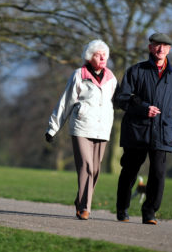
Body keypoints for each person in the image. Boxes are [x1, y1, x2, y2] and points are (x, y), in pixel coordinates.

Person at [115, 32, 172, 225]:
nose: (160, 49)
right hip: (137, 132)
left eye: (165, 46)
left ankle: (150, 212)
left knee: (158, 174)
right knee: (129, 171)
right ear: (150, 47)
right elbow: (121, 99)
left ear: (169, 50)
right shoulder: (135, 71)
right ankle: (122, 208)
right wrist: (143, 108)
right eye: (157, 45)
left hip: (163, 133)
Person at [45, 39, 118, 220]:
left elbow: (116, 102)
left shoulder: (112, 78)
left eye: (104, 55)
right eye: (97, 54)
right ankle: (86, 207)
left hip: (102, 129)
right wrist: (53, 128)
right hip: (81, 126)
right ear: (88, 56)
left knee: (95, 170)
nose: (102, 57)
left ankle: (80, 201)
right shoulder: (79, 74)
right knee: (86, 166)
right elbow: (66, 102)